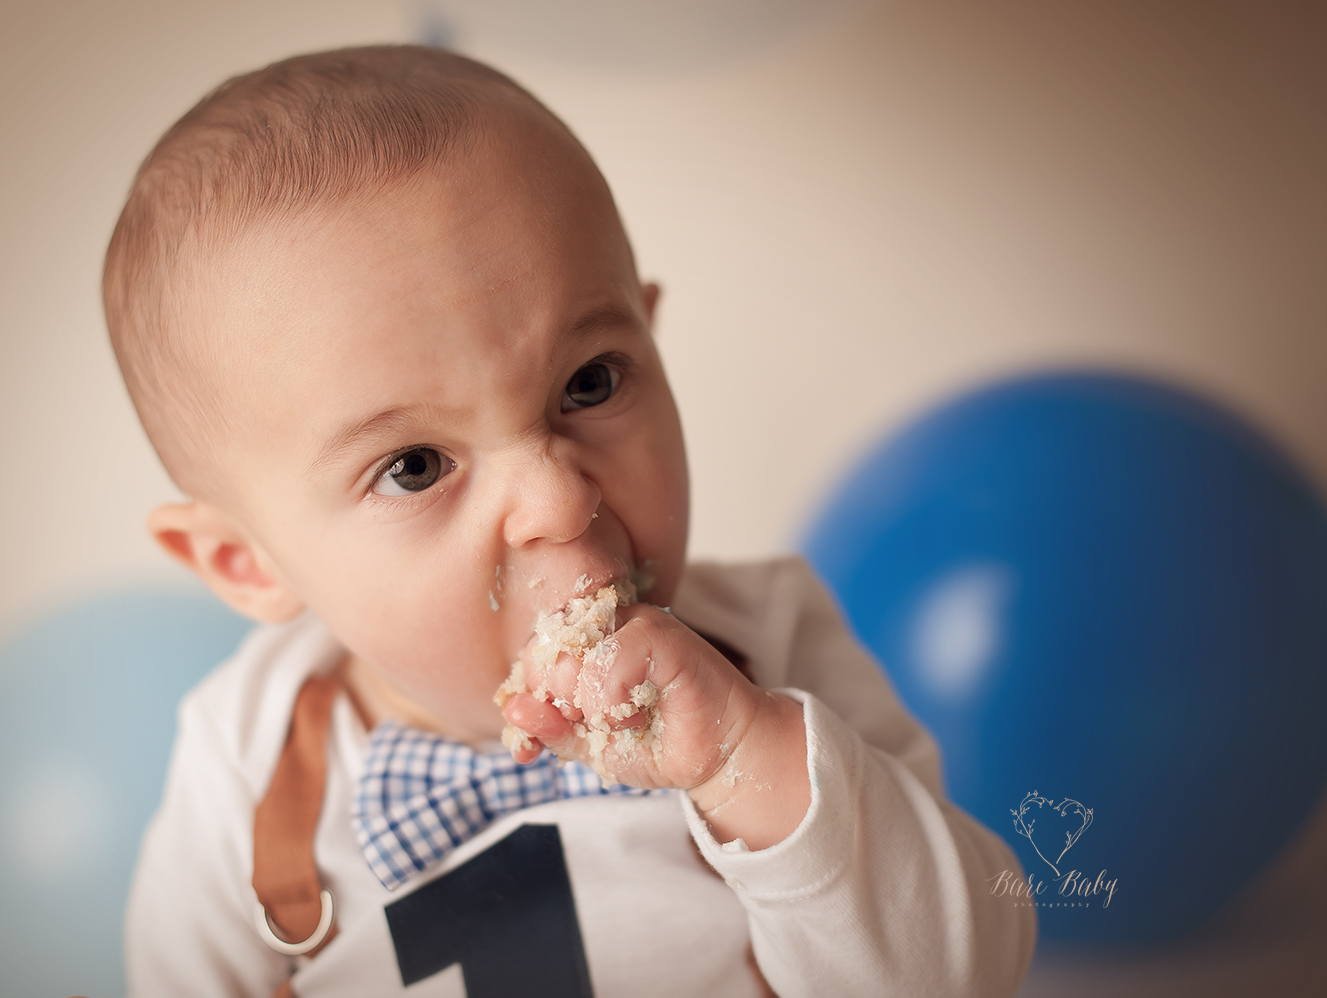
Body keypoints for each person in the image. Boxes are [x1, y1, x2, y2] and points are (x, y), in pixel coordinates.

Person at [105, 44, 1035, 998]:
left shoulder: (779, 644)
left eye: (588, 383)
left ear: (650, 336)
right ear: (244, 562)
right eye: (414, 467)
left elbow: (964, 974)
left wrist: (740, 759)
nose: (558, 499)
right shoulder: (244, 759)